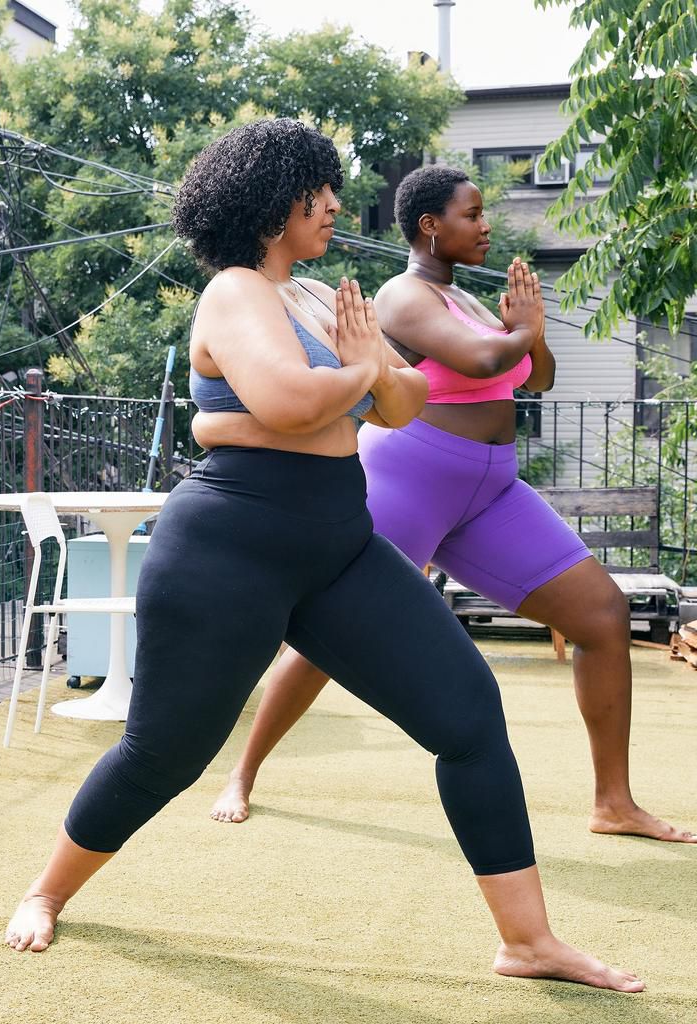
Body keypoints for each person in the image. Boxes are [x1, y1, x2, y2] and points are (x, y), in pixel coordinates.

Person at [4, 120, 643, 992]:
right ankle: (46, 891)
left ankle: (527, 942)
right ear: (275, 203)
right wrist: (363, 374)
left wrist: (363, 376)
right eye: (320, 192)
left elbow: (407, 404)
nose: (337, 205)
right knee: (164, 755)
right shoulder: (235, 293)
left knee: (468, 716)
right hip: (230, 545)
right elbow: (290, 400)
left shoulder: (313, 296)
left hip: (339, 541)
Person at [204, 163, 694, 846]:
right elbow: (484, 362)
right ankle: (243, 774)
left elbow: (537, 377)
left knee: (602, 615)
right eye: (472, 214)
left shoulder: (465, 298)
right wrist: (521, 332)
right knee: (327, 640)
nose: (486, 226)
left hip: (492, 490)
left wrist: (531, 334)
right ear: (430, 226)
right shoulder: (404, 297)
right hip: (413, 480)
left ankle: (614, 802)